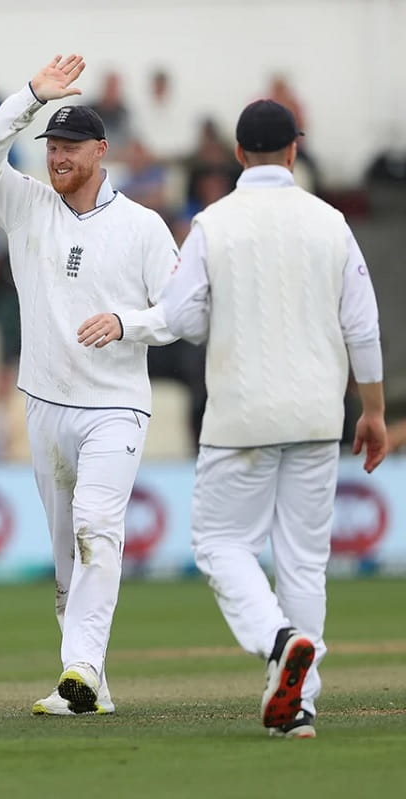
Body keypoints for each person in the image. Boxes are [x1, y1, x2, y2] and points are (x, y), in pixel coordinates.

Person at [158, 99, 387, 739]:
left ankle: (278, 639)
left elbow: (180, 319)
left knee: (221, 544)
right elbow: (362, 326)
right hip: (319, 414)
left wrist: (213, 319)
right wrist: (371, 411)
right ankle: (301, 704)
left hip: (240, 416)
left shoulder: (212, 222)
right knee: (304, 563)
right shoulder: (329, 221)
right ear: (293, 151)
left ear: (237, 155)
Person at [0, 55, 179, 716]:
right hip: (46, 403)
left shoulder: (141, 225)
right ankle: (92, 683)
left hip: (114, 406)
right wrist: (29, 96)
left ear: (100, 151)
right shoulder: (28, 205)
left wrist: (126, 321)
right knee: (64, 563)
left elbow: (179, 314)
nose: (56, 157)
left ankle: (79, 667)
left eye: (68, 147)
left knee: (96, 527)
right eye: (50, 147)